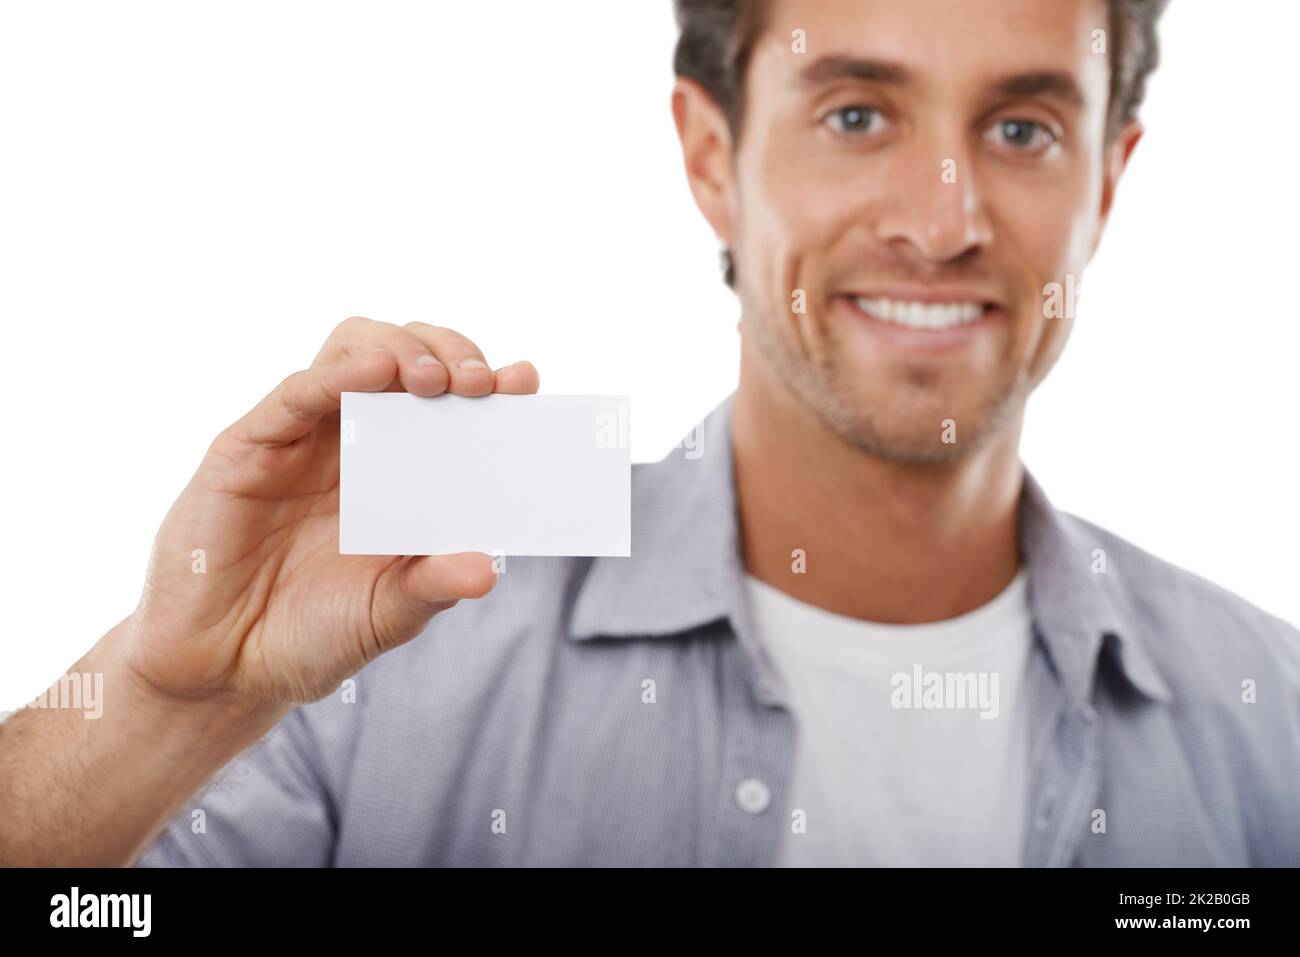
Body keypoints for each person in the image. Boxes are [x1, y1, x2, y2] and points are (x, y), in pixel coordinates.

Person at [2, 0, 1296, 867]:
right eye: (857, 113)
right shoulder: (400, 621)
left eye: (1022, 129)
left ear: (1109, 180)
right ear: (709, 154)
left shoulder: (1271, 722)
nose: (941, 218)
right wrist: (170, 700)